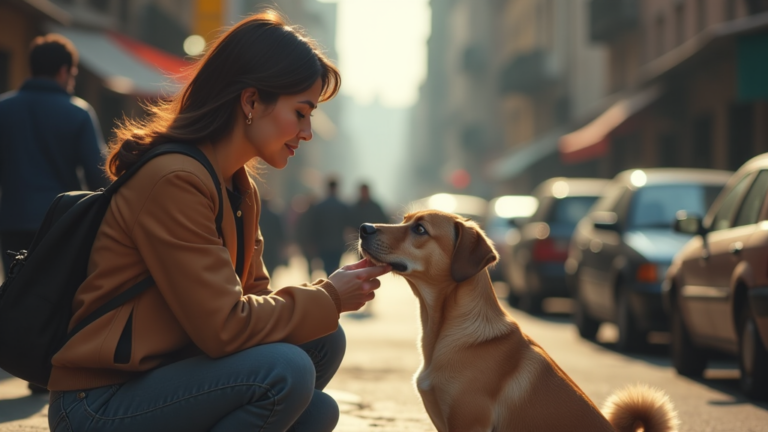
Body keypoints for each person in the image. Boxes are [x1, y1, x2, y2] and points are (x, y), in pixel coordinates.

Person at [46, 11, 391, 432]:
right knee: (286, 370)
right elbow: (224, 328)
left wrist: (330, 295)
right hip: (98, 401)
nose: (307, 132)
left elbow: (256, 299)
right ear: (250, 102)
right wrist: (330, 296)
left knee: (320, 359)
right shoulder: (175, 179)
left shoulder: (237, 186)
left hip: (163, 377)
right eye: (301, 112)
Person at [0, 34, 109, 279]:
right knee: (53, 297)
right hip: (60, 223)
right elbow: (98, 176)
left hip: (13, 219)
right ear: (63, 71)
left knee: (14, 293)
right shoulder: (78, 113)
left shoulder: (3, 108)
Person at [309, 177, 354, 277]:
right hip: (338, 243)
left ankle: (329, 283)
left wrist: (313, 242)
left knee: (326, 266)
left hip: (323, 243)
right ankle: (333, 285)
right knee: (335, 266)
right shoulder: (343, 206)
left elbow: (314, 226)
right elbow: (349, 225)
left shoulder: (320, 206)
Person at [259, 196, 288, 276]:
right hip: (272, 245)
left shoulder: (258, 216)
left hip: (261, 244)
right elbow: (280, 231)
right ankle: (269, 277)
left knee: (262, 263)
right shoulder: (275, 215)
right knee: (271, 264)